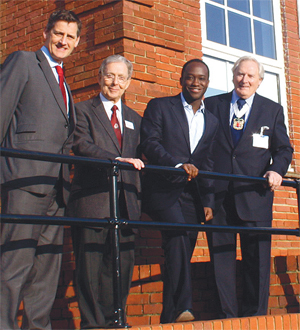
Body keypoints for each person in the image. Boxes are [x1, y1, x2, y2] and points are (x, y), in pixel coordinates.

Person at [0, 10, 81, 330]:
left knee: (47, 269)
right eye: (58, 34)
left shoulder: (64, 82)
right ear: (46, 34)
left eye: (70, 37)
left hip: (57, 188)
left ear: (77, 43)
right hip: (25, 180)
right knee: (14, 264)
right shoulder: (22, 61)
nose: (63, 41)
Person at [204, 56, 293, 318]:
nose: (245, 80)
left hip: (255, 195)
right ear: (233, 76)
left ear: (260, 81)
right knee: (222, 259)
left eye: (251, 76)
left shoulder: (272, 110)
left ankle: (255, 316)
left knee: (257, 260)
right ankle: (227, 317)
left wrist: (277, 169)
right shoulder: (212, 105)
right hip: (219, 196)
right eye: (240, 74)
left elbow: (284, 148)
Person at [66, 55, 144, 329]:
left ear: (128, 82)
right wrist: (114, 161)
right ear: (99, 77)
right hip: (92, 201)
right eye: (109, 75)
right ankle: (92, 324)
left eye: (121, 77)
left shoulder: (136, 119)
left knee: (120, 266)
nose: (115, 82)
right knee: (90, 268)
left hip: (126, 203)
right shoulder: (82, 110)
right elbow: (81, 144)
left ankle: (115, 320)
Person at [141, 59, 219, 323]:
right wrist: (175, 166)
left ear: (208, 83)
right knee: (176, 237)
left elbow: (207, 161)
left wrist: (208, 199)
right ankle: (185, 307)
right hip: (163, 189)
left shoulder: (212, 121)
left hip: (192, 196)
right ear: (181, 79)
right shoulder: (160, 106)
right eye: (190, 77)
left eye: (201, 78)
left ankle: (169, 317)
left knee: (182, 250)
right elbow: (149, 143)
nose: (195, 83)